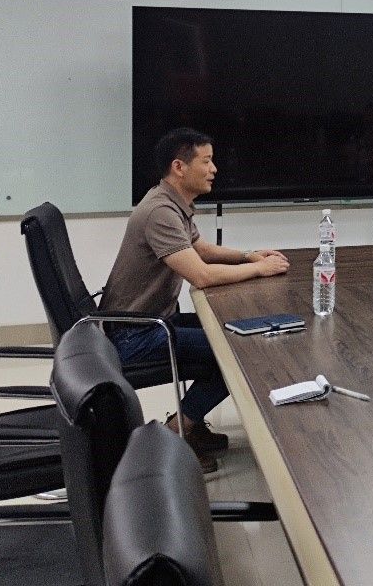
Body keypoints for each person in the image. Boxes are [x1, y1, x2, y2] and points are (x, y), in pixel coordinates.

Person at [100, 128, 290, 470]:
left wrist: (248, 256)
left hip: (149, 321)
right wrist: (259, 270)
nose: (214, 169)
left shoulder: (172, 202)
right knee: (237, 351)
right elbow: (200, 274)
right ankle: (175, 433)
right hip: (135, 334)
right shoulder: (160, 212)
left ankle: (189, 423)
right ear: (179, 167)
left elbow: (200, 249)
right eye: (206, 161)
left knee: (234, 334)